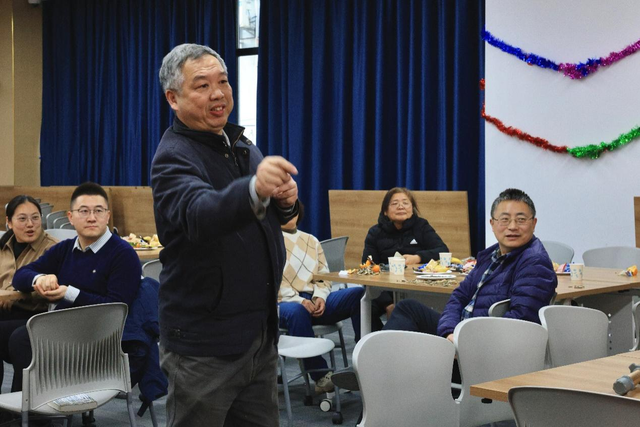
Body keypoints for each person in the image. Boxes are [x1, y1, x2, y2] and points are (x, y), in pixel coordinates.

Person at [151, 43, 299, 427]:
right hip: (205, 345)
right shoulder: (173, 155)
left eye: (223, 81)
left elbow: (273, 222)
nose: (218, 94)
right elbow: (201, 215)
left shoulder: (242, 145)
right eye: (202, 86)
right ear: (173, 98)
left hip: (257, 335)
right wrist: (254, 189)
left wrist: (285, 202)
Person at [332, 188, 557, 391]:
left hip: (482, 357)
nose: (512, 227)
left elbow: (519, 323)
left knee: (394, 368)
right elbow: (459, 296)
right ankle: (373, 369)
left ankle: (370, 370)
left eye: (521, 219)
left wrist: (464, 342)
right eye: (505, 219)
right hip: (462, 338)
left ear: (534, 223)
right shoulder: (491, 256)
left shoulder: (534, 262)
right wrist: (449, 332)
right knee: (408, 309)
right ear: (492, 223)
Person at [9, 182, 142, 391]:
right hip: (60, 325)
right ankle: (21, 403)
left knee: (22, 340)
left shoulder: (123, 254)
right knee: (12, 337)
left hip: (97, 335)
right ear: (70, 217)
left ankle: (36, 407)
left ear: (108, 216)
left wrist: (69, 293)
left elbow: (116, 308)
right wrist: (39, 279)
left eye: (98, 211)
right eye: (84, 211)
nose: (92, 218)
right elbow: (20, 277)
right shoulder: (65, 249)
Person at [278, 202, 364, 393]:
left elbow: (324, 276)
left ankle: (364, 359)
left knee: (358, 294)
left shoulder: (311, 240)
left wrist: (320, 297)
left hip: (314, 299)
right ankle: (320, 376)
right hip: (284, 302)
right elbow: (270, 283)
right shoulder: (268, 242)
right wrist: (300, 300)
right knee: (297, 311)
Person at [363, 187, 449, 328]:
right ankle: (375, 338)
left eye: (405, 203)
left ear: (412, 209)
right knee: (362, 306)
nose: (401, 206)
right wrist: (388, 304)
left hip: (417, 287)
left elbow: (442, 250)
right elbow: (368, 267)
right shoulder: (375, 232)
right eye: (394, 203)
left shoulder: (421, 226)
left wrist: (418, 257)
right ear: (385, 211)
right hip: (385, 289)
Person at [0, 195, 58, 391]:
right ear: (9, 222)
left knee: (17, 339)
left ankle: (20, 403)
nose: (30, 224)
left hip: (37, 314)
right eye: (22, 219)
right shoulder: (3, 246)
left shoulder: (52, 248)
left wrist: (11, 295)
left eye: (35, 218)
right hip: (6, 311)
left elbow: (52, 290)